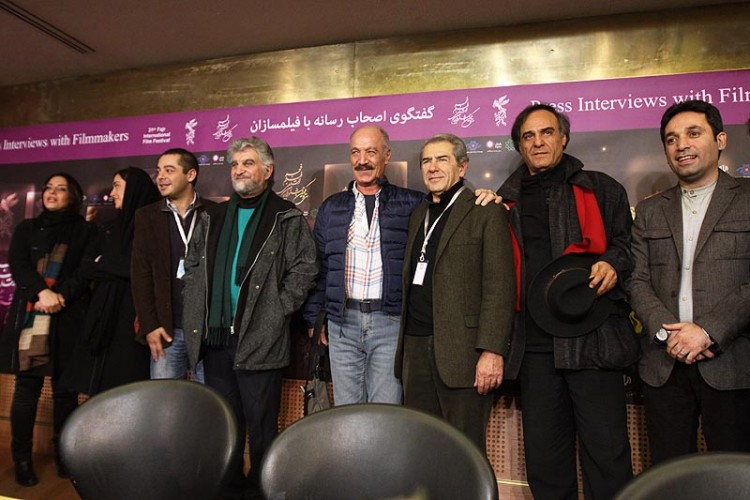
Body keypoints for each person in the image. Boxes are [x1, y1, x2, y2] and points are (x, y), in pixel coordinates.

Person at [304, 125, 500, 406]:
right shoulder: (331, 207)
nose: (362, 160)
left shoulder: (412, 204)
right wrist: (314, 319)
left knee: (386, 412)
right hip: (342, 325)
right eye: (356, 152)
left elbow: (451, 208)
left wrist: (484, 197)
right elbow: (320, 268)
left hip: (390, 323)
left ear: (387, 155)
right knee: (347, 413)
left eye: (371, 152)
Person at [497, 103, 636, 499]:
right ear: (520, 146)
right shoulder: (505, 201)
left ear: (564, 138)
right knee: (545, 462)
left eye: (547, 132)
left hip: (593, 342)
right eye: (528, 136)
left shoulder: (602, 188)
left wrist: (613, 262)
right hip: (535, 349)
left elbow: (628, 247)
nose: (538, 142)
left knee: (607, 456)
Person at [182, 137, 318, 499]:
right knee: (225, 426)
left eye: (248, 163)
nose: (239, 170)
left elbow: (305, 268)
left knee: (261, 428)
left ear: (268, 171)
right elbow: (192, 265)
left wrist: (277, 309)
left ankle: (260, 490)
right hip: (215, 340)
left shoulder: (286, 216)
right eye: (235, 164)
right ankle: (227, 490)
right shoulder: (212, 216)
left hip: (260, 338)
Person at [629, 100, 750, 464]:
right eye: (671, 139)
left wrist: (708, 331)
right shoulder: (649, 210)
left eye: (693, 133)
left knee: (733, 475)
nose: (681, 145)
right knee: (669, 474)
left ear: (720, 140)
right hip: (664, 365)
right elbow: (637, 280)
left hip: (731, 363)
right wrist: (670, 335)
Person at [395, 133, 515, 453]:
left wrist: (492, 351)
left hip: (463, 354)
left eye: (442, 159)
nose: (432, 167)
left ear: (462, 167)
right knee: (421, 447)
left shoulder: (485, 210)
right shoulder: (418, 215)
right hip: (415, 348)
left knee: (465, 450)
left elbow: (500, 287)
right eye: (426, 161)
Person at [0, 173, 96, 487]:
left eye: (61, 189)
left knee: (66, 392)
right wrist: (42, 293)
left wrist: (61, 296)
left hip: (68, 317)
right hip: (32, 315)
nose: (52, 193)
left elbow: (86, 269)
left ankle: (64, 456)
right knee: (26, 391)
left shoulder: (85, 231)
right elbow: (18, 266)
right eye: (48, 188)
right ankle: (22, 459)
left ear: (73, 196)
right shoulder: (26, 228)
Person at [63, 167, 160, 395]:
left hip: (134, 322)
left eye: (117, 186)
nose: (112, 193)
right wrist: (115, 265)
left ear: (134, 189)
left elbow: (146, 269)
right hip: (102, 318)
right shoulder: (108, 228)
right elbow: (88, 266)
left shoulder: (155, 227)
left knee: (127, 392)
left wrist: (105, 263)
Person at [132, 148, 212, 382]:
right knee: (164, 400)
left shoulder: (214, 213)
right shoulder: (147, 216)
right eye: (159, 171)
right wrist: (149, 325)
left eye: (169, 170)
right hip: (166, 330)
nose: (161, 177)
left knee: (209, 400)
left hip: (206, 331)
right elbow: (140, 274)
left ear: (190, 175)